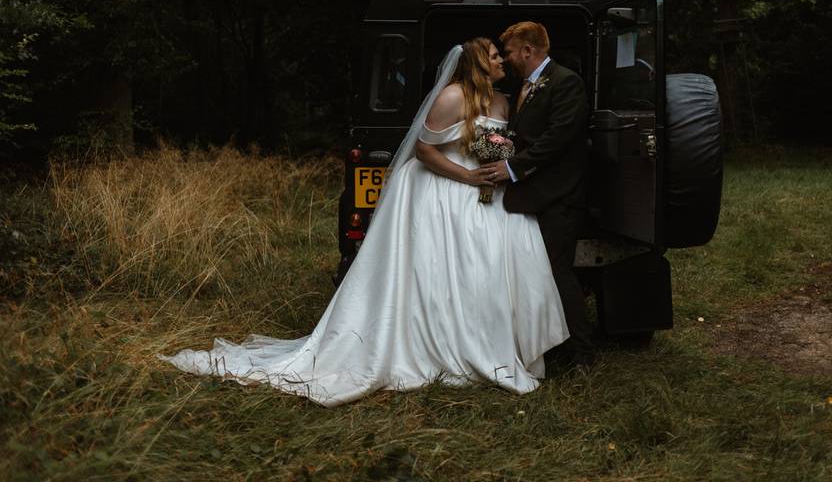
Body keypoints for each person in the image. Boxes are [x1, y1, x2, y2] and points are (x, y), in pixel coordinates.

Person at [158, 38, 568, 407]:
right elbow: (425, 151)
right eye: (495, 56)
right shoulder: (450, 98)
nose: (502, 61)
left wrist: (495, 162)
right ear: (479, 63)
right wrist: (468, 175)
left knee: (483, 270)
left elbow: (501, 144)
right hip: (445, 188)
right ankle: (432, 345)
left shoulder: (501, 101)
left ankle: (490, 342)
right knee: (435, 268)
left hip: (485, 196)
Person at [481, 22, 593, 367]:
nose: (509, 58)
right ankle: (552, 345)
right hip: (533, 195)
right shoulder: (525, 86)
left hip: (559, 195)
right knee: (542, 272)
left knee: (558, 272)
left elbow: (558, 137)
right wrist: (485, 146)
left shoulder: (565, 82)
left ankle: (583, 353)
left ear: (528, 51)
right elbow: (522, 136)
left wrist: (512, 167)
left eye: (511, 52)